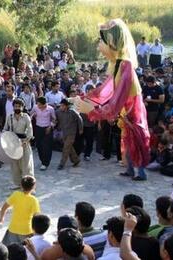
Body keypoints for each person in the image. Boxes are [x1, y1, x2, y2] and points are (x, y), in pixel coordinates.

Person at [73, 18, 150, 181]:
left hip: (131, 110)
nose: (98, 45)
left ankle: (140, 173)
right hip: (125, 110)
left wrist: (93, 110)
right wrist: (85, 98)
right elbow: (105, 90)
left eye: (101, 41)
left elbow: (117, 98)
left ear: (111, 41)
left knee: (135, 140)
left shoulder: (126, 65)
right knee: (128, 140)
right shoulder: (118, 64)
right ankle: (130, 169)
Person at [0, 175, 40, 245]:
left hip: (13, 228)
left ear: (21, 185)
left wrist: (1, 218)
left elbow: (4, 207)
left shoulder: (16, 194)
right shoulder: (34, 200)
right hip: (27, 231)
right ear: (33, 187)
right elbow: (36, 217)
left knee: (8, 249)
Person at [3, 98, 34, 189]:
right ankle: (18, 184)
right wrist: (4, 136)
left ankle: (29, 186)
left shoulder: (26, 117)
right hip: (13, 144)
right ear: (13, 107)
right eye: (15, 106)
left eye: (19, 106)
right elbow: (5, 129)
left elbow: (30, 131)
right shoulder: (10, 117)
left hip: (24, 143)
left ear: (22, 107)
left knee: (26, 165)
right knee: (15, 166)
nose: (17, 108)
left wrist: (26, 141)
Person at [56, 99, 83, 170]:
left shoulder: (72, 112)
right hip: (64, 132)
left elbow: (79, 119)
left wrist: (80, 129)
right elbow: (55, 119)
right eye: (60, 105)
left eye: (62, 106)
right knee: (69, 147)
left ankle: (62, 164)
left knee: (66, 148)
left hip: (71, 133)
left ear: (66, 106)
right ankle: (76, 160)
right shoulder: (58, 112)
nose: (61, 107)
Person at [31, 96, 56, 170]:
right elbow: (30, 114)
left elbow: (54, 119)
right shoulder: (35, 107)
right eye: (37, 104)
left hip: (47, 129)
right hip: (38, 128)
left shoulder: (50, 109)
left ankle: (46, 162)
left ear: (44, 104)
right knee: (39, 145)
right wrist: (33, 115)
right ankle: (42, 160)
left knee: (47, 147)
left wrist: (50, 126)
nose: (38, 106)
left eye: (39, 104)